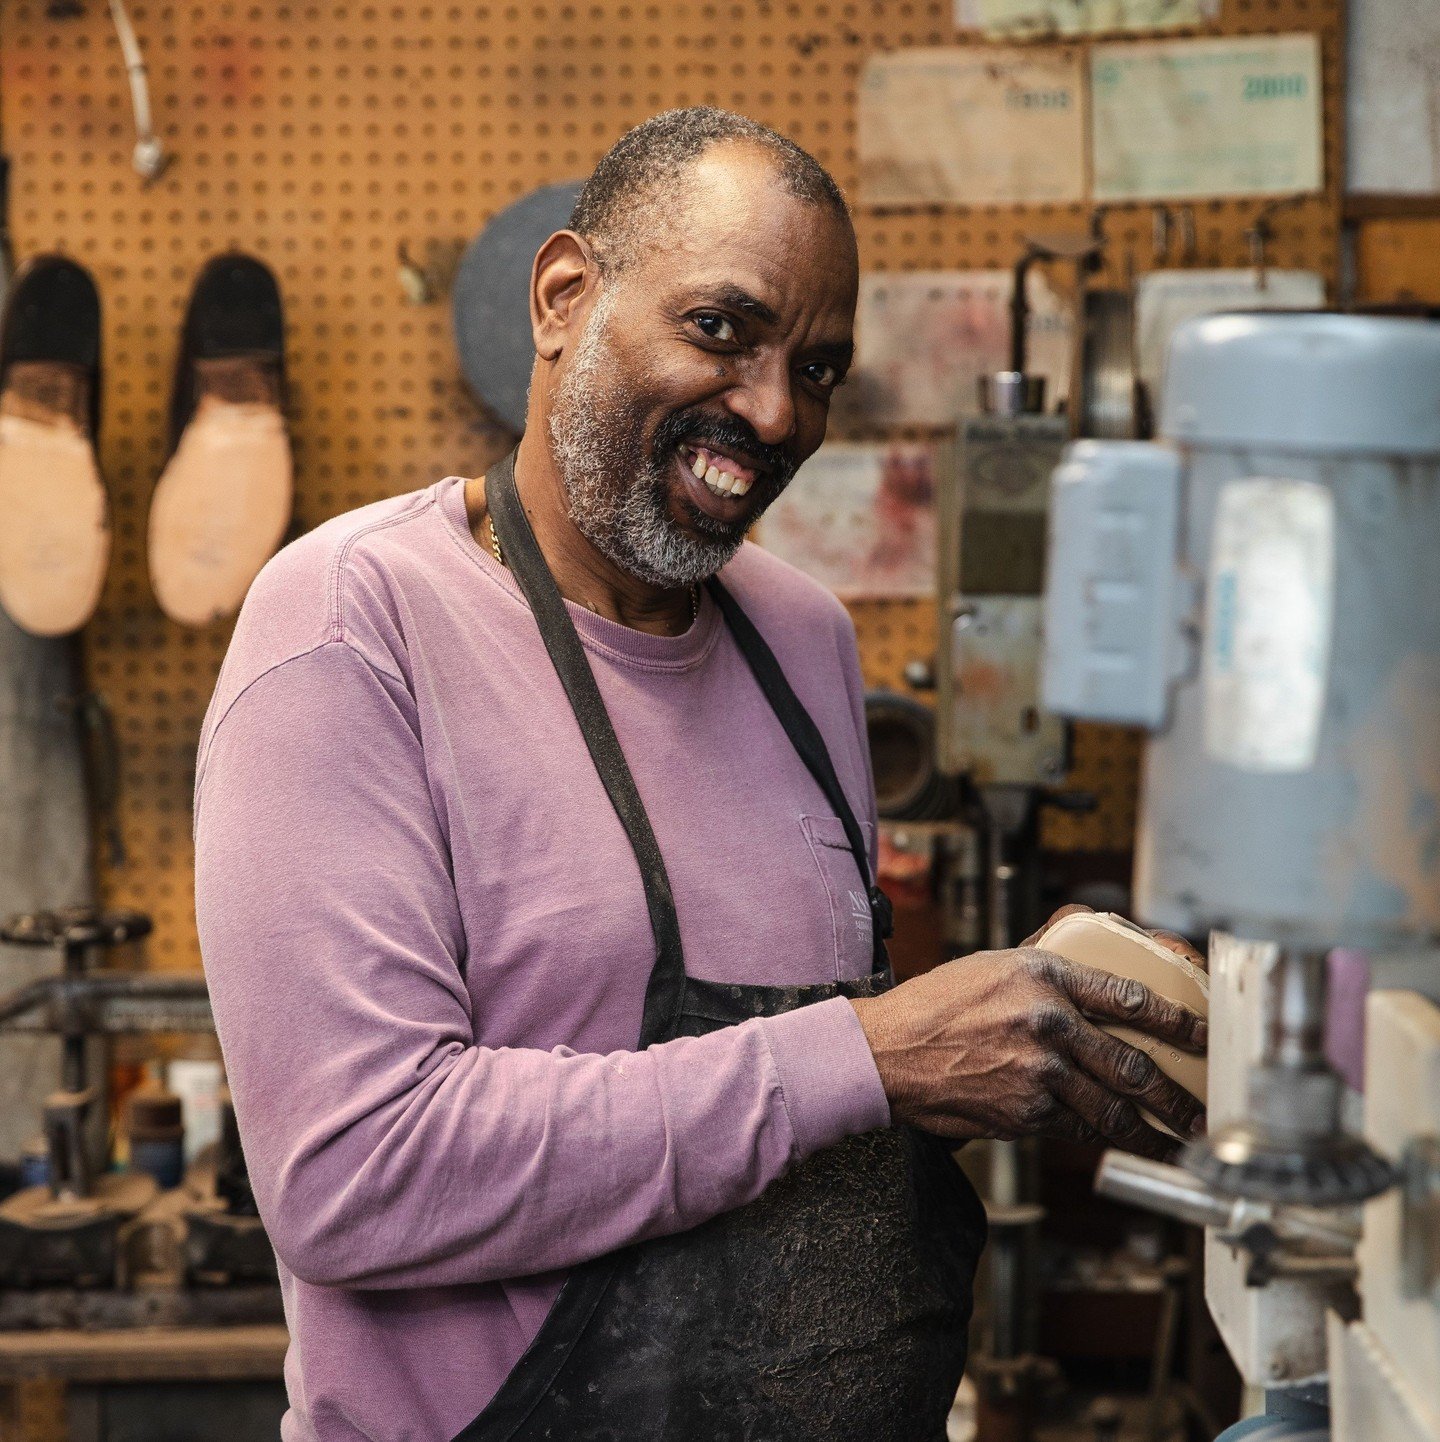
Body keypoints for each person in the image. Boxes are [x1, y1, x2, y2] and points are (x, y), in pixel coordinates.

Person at [194, 107, 1206, 1442]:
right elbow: (358, 1173)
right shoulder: (350, 622)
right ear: (566, 297)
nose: (780, 412)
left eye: (822, 367)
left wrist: (991, 1066)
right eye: (723, 330)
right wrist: (876, 1057)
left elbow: (799, 1120)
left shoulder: (804, 642)